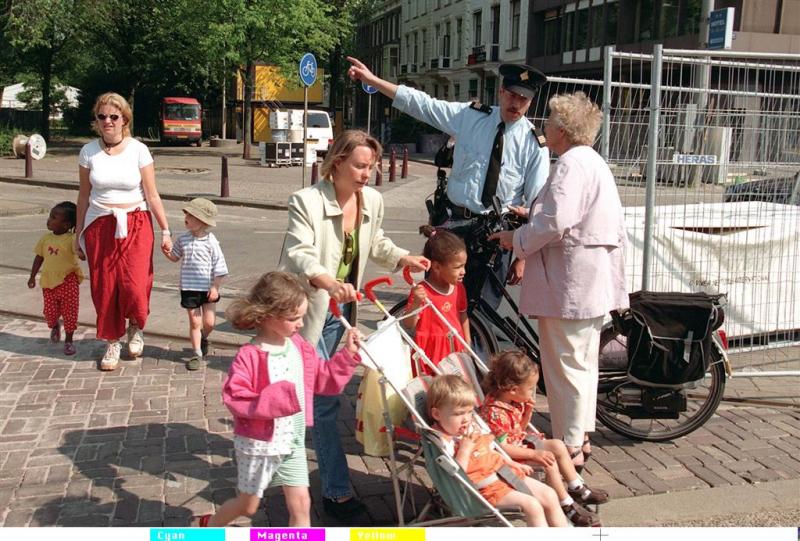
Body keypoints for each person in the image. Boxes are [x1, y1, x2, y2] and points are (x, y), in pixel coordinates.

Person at [278, 129, 429, 522]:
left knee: (323, 399)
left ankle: (291, 468)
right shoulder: (306, 201)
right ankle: (336, 493)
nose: (367, 174)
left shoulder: (372, 200)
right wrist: (327, 280)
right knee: (323, 403)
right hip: (302, 312)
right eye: (361, 166)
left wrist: (403, 259)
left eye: (372, 167)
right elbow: (299, 251)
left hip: (338, 313)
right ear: (338, 161)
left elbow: (375, 242)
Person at [489, 92, 628, 471]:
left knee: (564, 367)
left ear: (563, 130)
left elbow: (556, 222)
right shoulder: (593, 162)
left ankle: (571, 445)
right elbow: (565, 214)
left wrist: (515, 239)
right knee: (581, 364)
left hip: (569, 284)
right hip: (590, 281)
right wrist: (531, 211)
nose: (544, 127)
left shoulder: (569, 165)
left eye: (549, 121)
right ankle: (580, 437)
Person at [346, 56, 549, 304]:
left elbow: (537, 205)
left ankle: (476, 345)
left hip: (495, 237)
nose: (515, 103)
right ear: (501, 91)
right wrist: (374, 81)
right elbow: (423, 104)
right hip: (454, 226)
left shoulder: (534, 144)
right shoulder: (471, 117)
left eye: (523, 99)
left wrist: (523, 257)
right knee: (435, 304)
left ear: (531, 102)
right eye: (511, 95)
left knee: (482, 313)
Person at [196, 272, 363, 527]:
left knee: (302, 507)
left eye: (302, 317)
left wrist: (348, 355)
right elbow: (235, 398)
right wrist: (275, 399)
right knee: (248, 505)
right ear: (267, 314)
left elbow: (323, 379)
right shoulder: (250, 356)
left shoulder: (299, 346)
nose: (300, 324)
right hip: (259, 446)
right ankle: (210, 526)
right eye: (293, 318)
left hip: (292, 443)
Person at [75, 92, 172, 371]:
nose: (107, 121)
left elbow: (152, 195)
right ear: (96, 120)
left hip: (136, 222)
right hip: (99, 225)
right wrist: (77, 234)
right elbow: (83, 195)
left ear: (124, 119)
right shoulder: (88, 152)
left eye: (113, 116)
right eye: (102, 116)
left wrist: (165, 230)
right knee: (105, 287)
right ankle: (111, 340)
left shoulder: (139, 150)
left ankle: (136, 326)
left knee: (135, 284)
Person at [479, 351, 608, 527]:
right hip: (509, 454)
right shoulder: (495, 412)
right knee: (549, 461)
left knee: (558, 445)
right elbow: (501, 447)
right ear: (513, 389)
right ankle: (566, 504)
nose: (533, 392)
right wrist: (534, 455)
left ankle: (576, 487)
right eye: (530, 388)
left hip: (519, 442)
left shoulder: (512, 401)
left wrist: (527, 413)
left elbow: (519, 429)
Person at [426, 375, 567, 527]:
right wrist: (465, 448)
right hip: (486, 488)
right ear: (437, 414)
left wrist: (512, 463)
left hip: (504, 473)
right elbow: (457, 475)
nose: (466, 419)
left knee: (550, 494)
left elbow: (491, 450)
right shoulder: (443, 441)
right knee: (532, 506)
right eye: (458, 413)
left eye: (469, 412)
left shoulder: (471, 426)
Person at [163, 198, 228, 371]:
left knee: (210, 322)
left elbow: (219, 267)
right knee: (195, 322)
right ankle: (196, 353)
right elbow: (175, 257)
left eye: (191, 216)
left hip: (207, 289)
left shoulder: (211, 242)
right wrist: (167, 252)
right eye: (186, 214)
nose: (186, 218)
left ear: (201, 222)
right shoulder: (183, 239)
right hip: (189, 288)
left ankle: (204, 337)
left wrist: (215, 287)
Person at [403, 227, 469, 374]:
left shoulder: (459, 288)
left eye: (464, 266)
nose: (463, 271)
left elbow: (463, 316)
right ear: (437, 267)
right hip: (431, 350)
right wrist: (415, 303)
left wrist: (467, 342)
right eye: (458, 267)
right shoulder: (422, 291)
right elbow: (408, 324)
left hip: (455, 345)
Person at [27, 201, 85, 356]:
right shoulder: (45, 239)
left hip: (68, 280)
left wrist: (82, 253)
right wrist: (32, 276)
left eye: (53, 217)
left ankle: (69, 340)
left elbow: (82, 254)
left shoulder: (71, 239)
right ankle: (54, 325)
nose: (49, 220)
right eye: (50, 216)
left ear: (66, 224)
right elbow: (39, 258)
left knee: (70, 313)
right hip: (49, 282)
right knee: (50, 313)